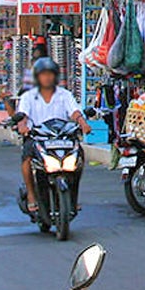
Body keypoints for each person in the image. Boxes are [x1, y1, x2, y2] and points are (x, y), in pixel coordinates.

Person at [12, 57, 90, 217]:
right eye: (43, 74)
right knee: (26, 158)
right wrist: (23, 126)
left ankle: (73, 197)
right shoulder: (28, 96)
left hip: (62, 139)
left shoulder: (64, 95)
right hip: (38, 138)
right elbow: (23, 115)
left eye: (50, 74)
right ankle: (32, 195)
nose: (47, 77)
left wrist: (82, 123)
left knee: (79, 158)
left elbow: (74, 112)